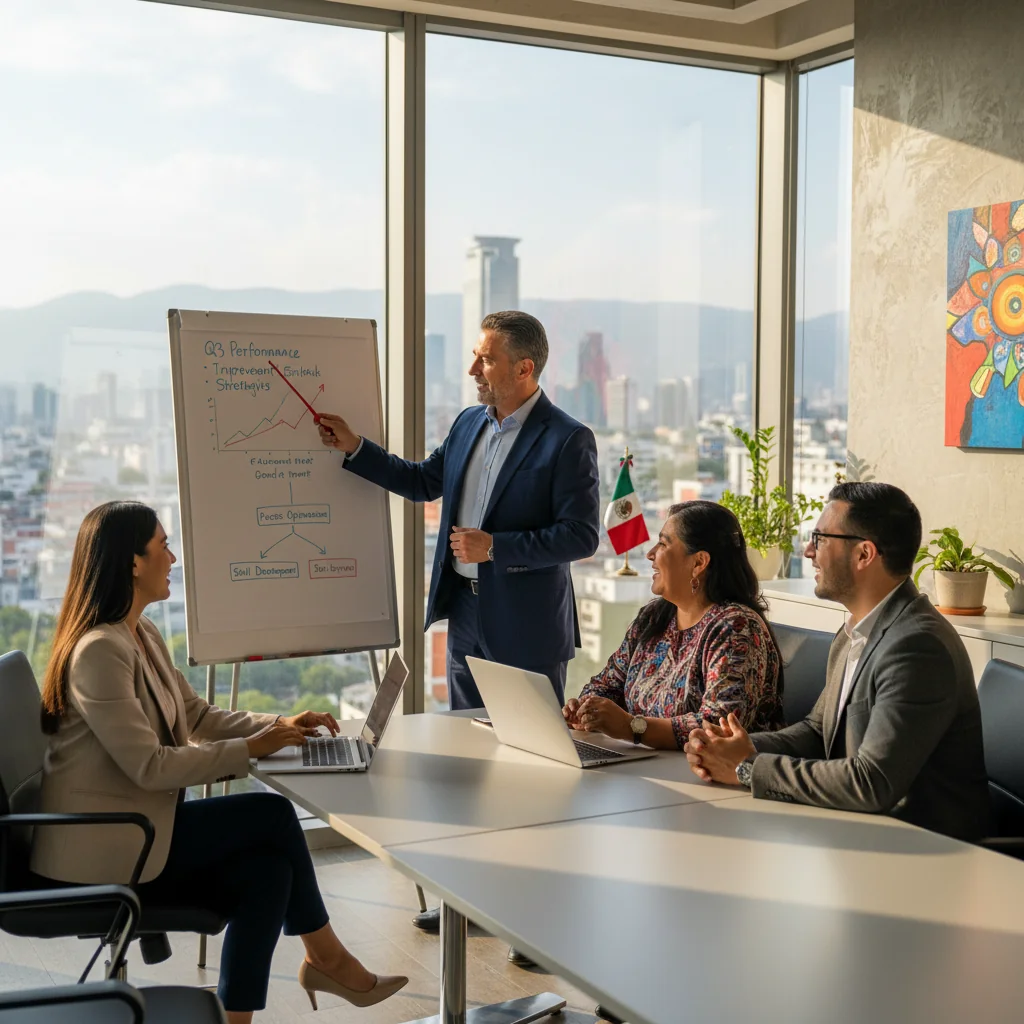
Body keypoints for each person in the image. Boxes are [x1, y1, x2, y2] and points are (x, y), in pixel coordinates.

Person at [30, 502, 408, 1023]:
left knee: (269, 872)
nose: (173, 558)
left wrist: (276, 727)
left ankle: (247, 1014)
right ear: (133, 562)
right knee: (270, 816)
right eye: (163, 545)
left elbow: (194, 713)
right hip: (108, 844)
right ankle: (329, 958)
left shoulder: (139, 633)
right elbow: (151, 767)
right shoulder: (100, 650)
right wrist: (253, 750)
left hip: (140, 826)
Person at [318, 309, 600, 946]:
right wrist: (355, 448)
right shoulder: (471, 420)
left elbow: (582, 535)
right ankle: (469, 900)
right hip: (466, 616)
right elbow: (423, 481)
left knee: (531, 777)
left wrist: (495, 547)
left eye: (486, 358)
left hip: (527, 628)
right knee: (469, 768)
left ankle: (534, 920)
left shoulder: (567, 438)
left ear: (524, 368)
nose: (473, 368)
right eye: (476, 355)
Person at [684, 482, 991, 842]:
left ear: (864, 554)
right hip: (858, 834)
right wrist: (734, 748)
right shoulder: (854, 631)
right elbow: (818, 732)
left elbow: (871, 782)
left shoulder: (916, 646)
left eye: (821, 538)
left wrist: (747, 767)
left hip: (928, 852)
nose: (809, 550)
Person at [563, 501, 784, 749]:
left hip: (709, 778)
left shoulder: (736, 627)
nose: (650, 554)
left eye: (663, 544)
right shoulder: (653, 617)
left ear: (699, 562)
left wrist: (631, 727)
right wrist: (586, 709)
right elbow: (606, 686)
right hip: (646, 767)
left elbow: (718, 727)